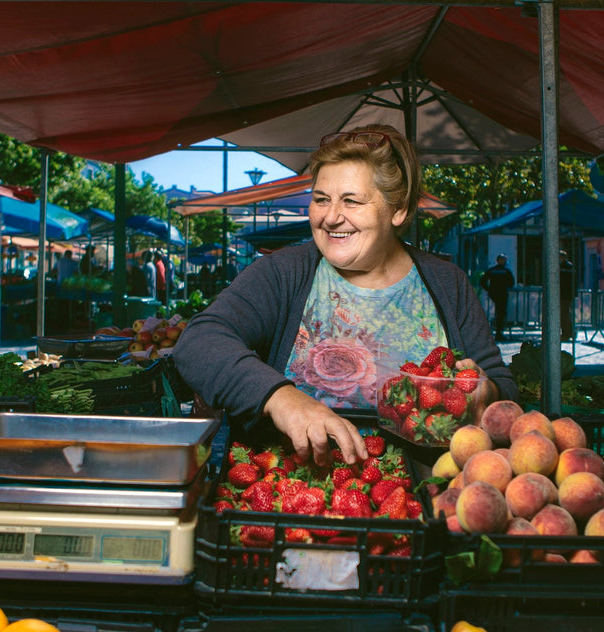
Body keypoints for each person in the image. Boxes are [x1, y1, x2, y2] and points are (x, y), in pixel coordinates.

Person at [174, 124, 517, 466]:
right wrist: (281, 397)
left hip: (425, 502)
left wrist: (486, 393)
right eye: (321, 199)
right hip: (294, 502)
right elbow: (199, 341)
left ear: (398, 210)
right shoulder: (283, 273)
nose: (331, 217)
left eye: (351, 201)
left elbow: (502, 386)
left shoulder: (448, 284)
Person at [480, 254, 514, 341]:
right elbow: (512, 283)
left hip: (493, 294)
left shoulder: (492, 270)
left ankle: (494, 332)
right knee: (501, 314)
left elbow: (483, 281)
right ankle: (499, 333)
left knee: (495, 313)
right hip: (502, 294)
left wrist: (488, 289)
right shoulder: (506, 271)